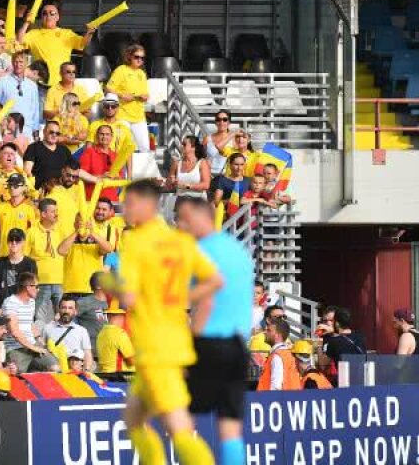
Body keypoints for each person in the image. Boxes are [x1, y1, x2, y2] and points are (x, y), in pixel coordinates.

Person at [119, 179, 223, 465]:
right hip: (171, 344)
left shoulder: (137, 242)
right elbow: (214, 281)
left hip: (156, 349)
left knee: (178, 427)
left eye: (129, 203)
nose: (124, 209)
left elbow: (128, 298)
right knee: (133, 419)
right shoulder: (179, 241)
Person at [176, 194, 254, 465]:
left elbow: (206, 302)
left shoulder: (201, 252)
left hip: (210, 343)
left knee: (178, 413)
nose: (181, 226)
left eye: (185, 220)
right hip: (238, 345)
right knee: (230, 426)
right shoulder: (238, 250)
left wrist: (190, 346)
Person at [256, 316, 300, 391]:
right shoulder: (286, 354)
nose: (265, 332)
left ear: (278, 336)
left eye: (269, 330)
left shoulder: (277, 356)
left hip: (271, 400)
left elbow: (276, 387)